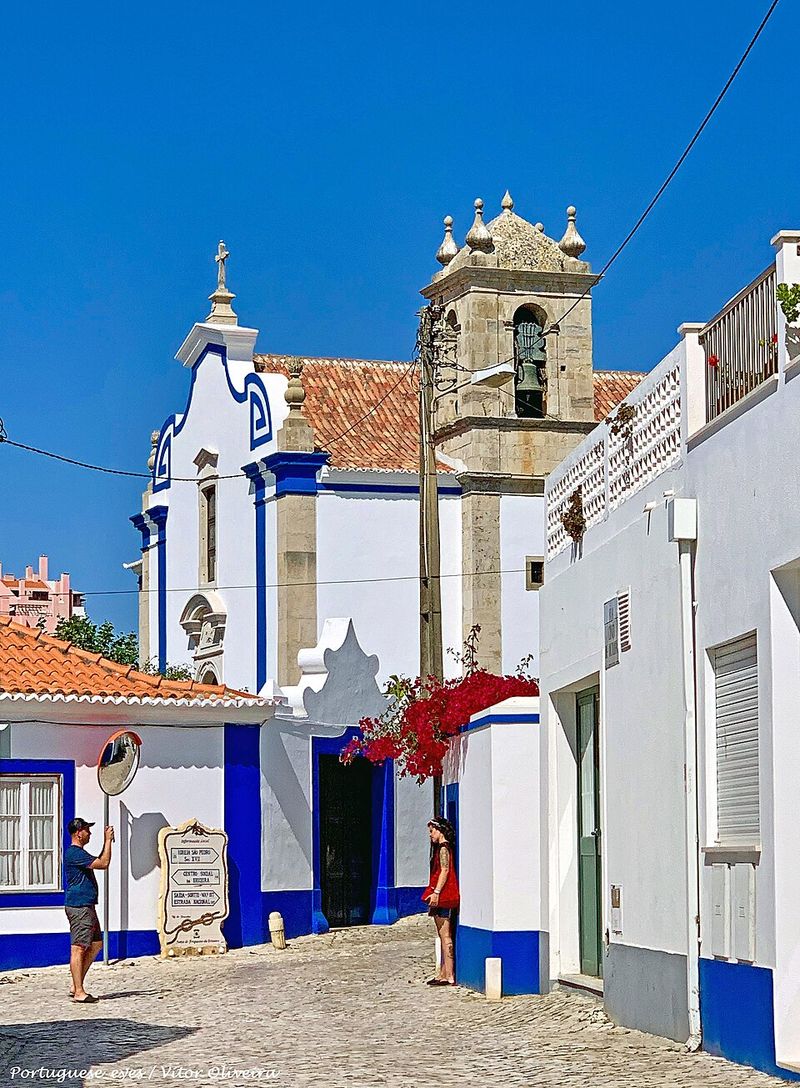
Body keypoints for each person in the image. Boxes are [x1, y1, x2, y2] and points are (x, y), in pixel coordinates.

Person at [64, 818, 114, 1004]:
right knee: (78, 948)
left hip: (87, 906)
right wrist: (108, 841)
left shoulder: (80, 854)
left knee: (96, 944)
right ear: (78, 833)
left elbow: (99, 861)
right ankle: (78, 991)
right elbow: (103, 863)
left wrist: (105, 843)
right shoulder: (74, 853)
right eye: (86, 830)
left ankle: (76, 984)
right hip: (79, 907)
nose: (89, 833)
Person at [422, 817, 460, 986]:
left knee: (445, 935)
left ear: (440, 830)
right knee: (442, 934)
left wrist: (436, 892)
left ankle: (449, 974)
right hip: (441, 895)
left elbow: (444, 870)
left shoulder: (443, 849)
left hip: (443, 896)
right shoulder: (441, 849)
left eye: (432, 831)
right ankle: (443, 972)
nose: (430, 835)